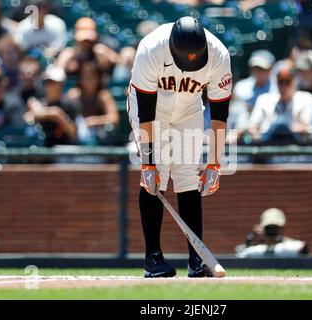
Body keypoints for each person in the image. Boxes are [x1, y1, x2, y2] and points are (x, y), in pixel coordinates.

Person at [128, 16, 232, 278]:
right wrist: (148, 163)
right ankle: (153, 259)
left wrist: (215, 164)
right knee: (157, 174)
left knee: (187, 174)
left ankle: (196, 261)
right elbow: (146, 114)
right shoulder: (151, 48)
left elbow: (220, 114)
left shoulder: (219, 54)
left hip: (189, 110)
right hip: (151, 112)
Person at [247, 65, 312, 145]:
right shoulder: (264, 99)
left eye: (287, 82)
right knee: (280, 123)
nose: (283, 86)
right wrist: (256, 136)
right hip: (268, 142)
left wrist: (284, 129)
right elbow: (252, 126)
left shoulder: (305, 98)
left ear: (294, 83)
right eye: (281, 82)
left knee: (281, 123)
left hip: (294, 142)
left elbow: (308, 127)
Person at [227, 50, 276, 142]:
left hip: (266, 132)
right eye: (255, 68)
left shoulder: (277, 88)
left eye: (262, 69)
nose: (257, 72)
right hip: (241, 132)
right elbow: (234, 114)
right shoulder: (241, 87)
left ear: (270, 70)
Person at [67, 61, 119, 145]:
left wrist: (93, 121)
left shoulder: (103, 95)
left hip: (99, 138)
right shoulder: (74, 94)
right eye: (85, 76)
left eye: (92, 76)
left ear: (98, 78)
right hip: (77, 138)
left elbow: (114, 118)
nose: (88, 79)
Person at [24, 65, 77, 147]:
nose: (50, 87)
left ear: (61, 85)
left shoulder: (69, 105)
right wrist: (51, 113)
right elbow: (28, 118)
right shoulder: (39, 103)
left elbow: (73, 134)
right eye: (47, 83)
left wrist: (57, 115)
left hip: (64, 149)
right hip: (42, 149)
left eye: (54, 83)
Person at [56, 17, 122, 78]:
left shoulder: (100, 51)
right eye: (83, 41)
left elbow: (122, 65)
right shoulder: (69, 54)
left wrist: (106, 60)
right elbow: (57, 73)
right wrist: (67, 67)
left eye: (89, 41)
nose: (85, 43)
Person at [235, 208, 308, 258]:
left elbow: (302, 251)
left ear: (282, 228)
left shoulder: (289, 245)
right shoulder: (254, 246)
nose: (272, 231)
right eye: (269, 227)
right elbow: (239, 254)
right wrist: (251, 238)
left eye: (275, 227)